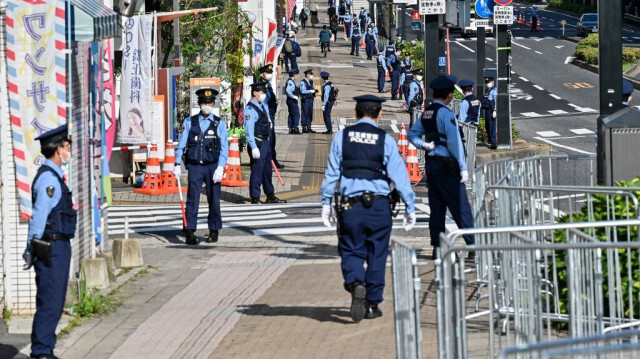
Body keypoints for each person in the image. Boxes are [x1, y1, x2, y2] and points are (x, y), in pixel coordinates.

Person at [320, 94, 417, 322]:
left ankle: (355, 284)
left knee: (351, 249)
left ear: (356, 113)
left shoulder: (342, 137)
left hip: (350, 206)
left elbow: (332, 173)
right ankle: (372, 304)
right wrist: (410, 207)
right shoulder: (386, 140)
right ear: (379, 113)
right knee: (377, 254)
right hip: (379, 206)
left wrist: (326, 203)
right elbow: (400, 178)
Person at [25, 124, 77, 359]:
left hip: (58, 245)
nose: (69, 151)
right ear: (58, 150)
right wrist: (30, 249)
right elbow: (38, 217)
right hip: (51, 247)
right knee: (50, 301)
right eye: (67, 147)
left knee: (55, 301)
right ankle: (41, 352)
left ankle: (45, 349)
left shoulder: (54, 176)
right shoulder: (49, 179)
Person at [407, 75, 475, 258]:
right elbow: (454, 143)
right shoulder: (446, 114)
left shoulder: (427, 113)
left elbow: (412, 135)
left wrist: (424, 145)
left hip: (432, 166)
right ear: (449, 95)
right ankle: (473, 246)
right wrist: (463, 167)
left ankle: (437, 249)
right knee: (461, 207)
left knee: (436, 209)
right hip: (448, 167)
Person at [174, 88, 229, 244]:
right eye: (204, 102)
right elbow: (182, 144)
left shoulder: (219, 123)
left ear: (213, 103)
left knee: (214, 199)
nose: (207, 105)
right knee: (192, 199)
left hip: (213, 166)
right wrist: (177, 163)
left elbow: (224, 147)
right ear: (199, 103)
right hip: (195, 166)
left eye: (210, 102)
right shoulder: (189, 122)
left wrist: (221, 167)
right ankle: (189, 230)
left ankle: (214, 229)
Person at [245, 82, 287, 204]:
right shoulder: (250, 109)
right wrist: (253, 147)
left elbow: (267, 113)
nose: (263, 94)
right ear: (255, 93)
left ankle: (270, 195)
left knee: (267, 170)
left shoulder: (261, 104)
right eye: (262, 92)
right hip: (257, 142)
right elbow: (249, 131)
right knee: (257, 170)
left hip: (265, 142)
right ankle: (255, 196)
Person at [257, 64, 284, 169]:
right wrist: (268, 117)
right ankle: (270, 160)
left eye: (270, 72)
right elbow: (264, 102)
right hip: (267, 115)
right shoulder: (261, 85)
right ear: (262, 74)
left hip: (271, 114)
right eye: (267, 73)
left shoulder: (267, 84)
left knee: (272, 138)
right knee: (269, 138)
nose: (270, 74)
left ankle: (272, 159)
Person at [481, 75, 497, 149]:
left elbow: (496, 101)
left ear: (493, 82)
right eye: (487, 82)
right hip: (487, 110)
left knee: (492, 127)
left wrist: (495, 110)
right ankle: (490, 141)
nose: (487, 83)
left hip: (491, 111)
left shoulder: (494, 90)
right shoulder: (487, 90)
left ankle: (493, 143)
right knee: (487, 126)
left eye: (489, 82)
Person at [300, 69, 318, 133]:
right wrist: (310, 91)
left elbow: (313, 88)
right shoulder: (303, 82)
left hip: (310, 99)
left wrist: (315, 90)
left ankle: (309, 126)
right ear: (307, 75)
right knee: (305, 113)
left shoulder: (310, 82)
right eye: (311, 74)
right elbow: (302, 91)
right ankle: (304, 127)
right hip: (306, 100)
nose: (312, 76)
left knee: (310, 113)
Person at [286, 68, 301, 134]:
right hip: (292, 100)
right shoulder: (290, 82)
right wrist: (293, 96)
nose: (296, 76)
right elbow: (288, 90)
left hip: (290, 100)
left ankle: (291, 128)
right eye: (296, 75)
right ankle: (295, 128)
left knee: (291, 114)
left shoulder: (290, 81)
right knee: (296, 114)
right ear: (294, 75)